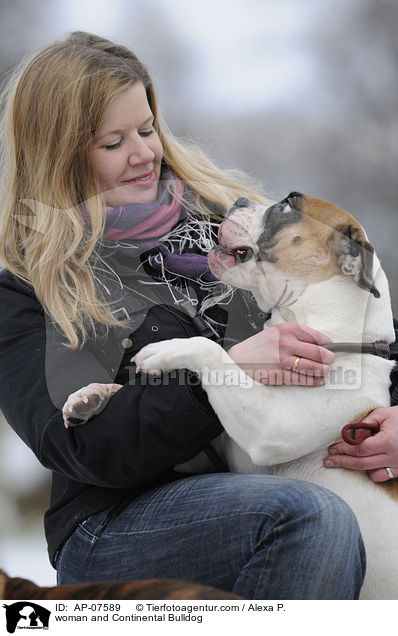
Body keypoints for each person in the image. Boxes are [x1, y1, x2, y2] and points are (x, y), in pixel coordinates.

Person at [0, 31, 395, 600]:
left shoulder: (231, 227)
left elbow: (362, 328)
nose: (144, 153)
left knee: (314, 511)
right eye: (112, 143)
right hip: (118, 521)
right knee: (309, 514)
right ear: (57, 155)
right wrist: (225, 370)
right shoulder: (26, 288)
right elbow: (82, 448)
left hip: (260, 486)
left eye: (146, 128)